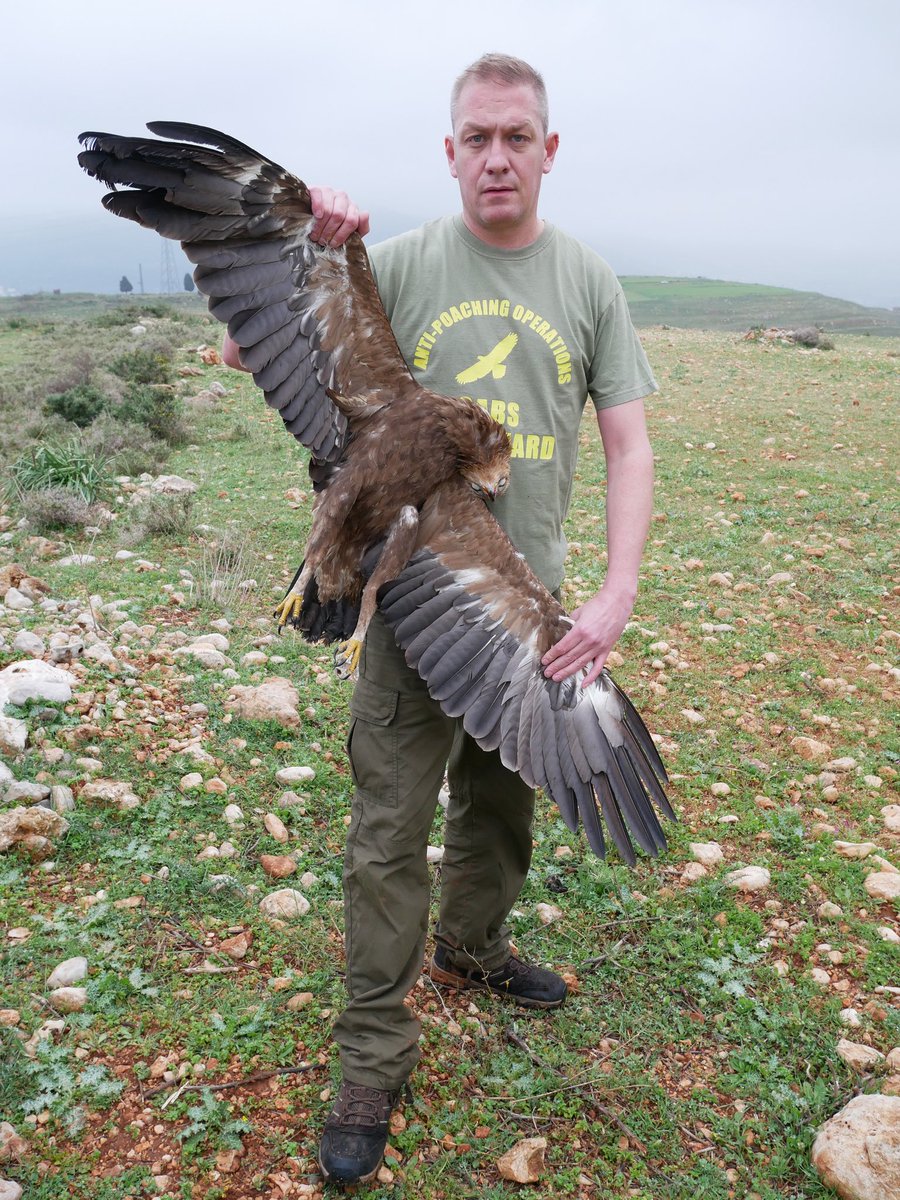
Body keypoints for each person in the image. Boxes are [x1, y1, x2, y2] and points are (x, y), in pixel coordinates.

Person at [225, 53, 657, 1188]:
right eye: (478, 137)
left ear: (547, 149)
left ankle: (473, 949)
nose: (498, 155)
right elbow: (245, 334)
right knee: (387, 834)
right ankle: (370, 1058)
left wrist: (612, 595)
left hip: (530, 613)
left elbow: (629, 443)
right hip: (393, 593)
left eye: (518, 136)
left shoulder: (590, 283)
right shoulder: (399, 264)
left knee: (502, 818)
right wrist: (310, 233)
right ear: (452, 150)